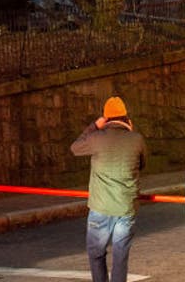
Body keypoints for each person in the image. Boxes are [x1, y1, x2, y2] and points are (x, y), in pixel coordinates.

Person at [69, 96, 146, 282]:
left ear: (106, 118)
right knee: (120, 258)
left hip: (100, 208)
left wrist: (94, 126)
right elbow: (142, 165)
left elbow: (75, 147)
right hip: (125, 208)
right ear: (126, 117)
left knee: (96, 254)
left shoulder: (96, 138)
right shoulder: (137, 139)